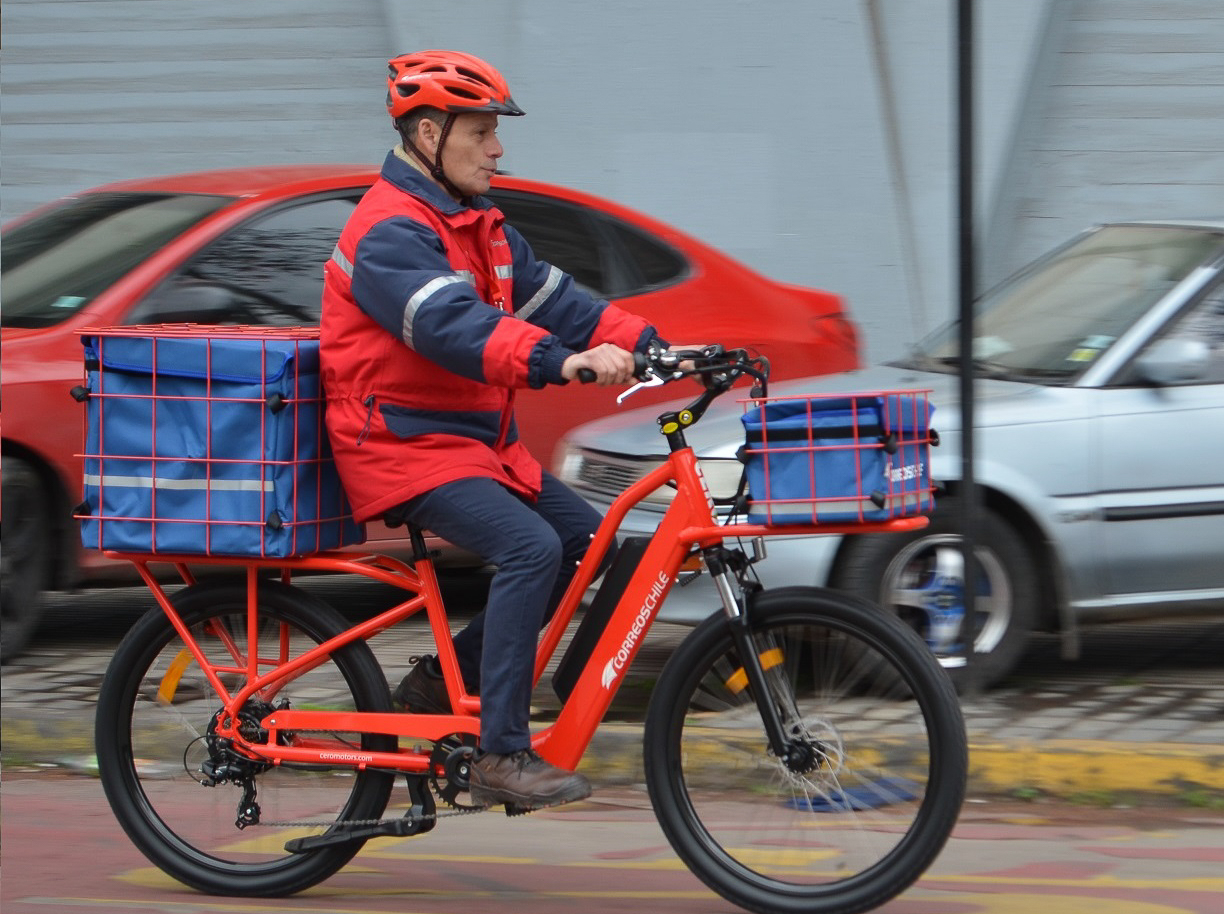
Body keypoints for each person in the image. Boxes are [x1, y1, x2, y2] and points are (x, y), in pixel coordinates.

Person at [319, 50, 664, 811]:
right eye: (482, 132)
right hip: (399, 445)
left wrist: (656, 346)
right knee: (530, 546)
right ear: (430, 133)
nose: (499, 148)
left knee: (592, 541)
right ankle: (499, 752)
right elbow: (452, 326)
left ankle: (441, 684)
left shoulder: (482, 229)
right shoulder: (388, 231)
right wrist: (560, 363)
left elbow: (561, 301)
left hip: (474, 446)